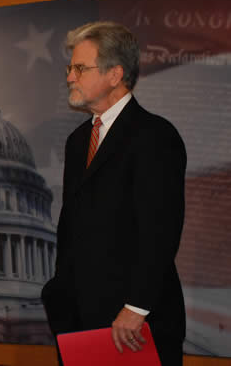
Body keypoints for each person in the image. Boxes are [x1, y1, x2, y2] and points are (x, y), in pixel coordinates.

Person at [41, 22, 186, 366]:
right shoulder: (78, 141)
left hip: (132, 326)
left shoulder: (154, 136)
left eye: (80, 68)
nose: (69, 77)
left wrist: (136, 308)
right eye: (69, 68)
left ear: (115, 74)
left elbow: (160, 231)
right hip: (79, 321)